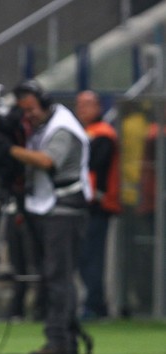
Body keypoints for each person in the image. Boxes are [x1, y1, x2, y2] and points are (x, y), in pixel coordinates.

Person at [9, 80, 91, 354]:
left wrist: (8, 149)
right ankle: (65, 334)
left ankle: (61, 339)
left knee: (58, 274)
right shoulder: (47, 124)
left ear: (44, 103)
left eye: (30, 109)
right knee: (52, 273)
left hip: (65, 206)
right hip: (50, 205)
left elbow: (47, 161)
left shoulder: (62, 127)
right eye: (23, 110)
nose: (27, 115)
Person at [74, 90, 121, 319]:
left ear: (98, 107)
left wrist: (94, 196)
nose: (82, 109)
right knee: (85, 256)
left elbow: (96, 168)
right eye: (79, 105)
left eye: (87, 105)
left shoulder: (103, 133)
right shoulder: (85, 132)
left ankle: (95, 305)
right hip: (87, 203)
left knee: (92, 257)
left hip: (98, 205)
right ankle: (92, 302)